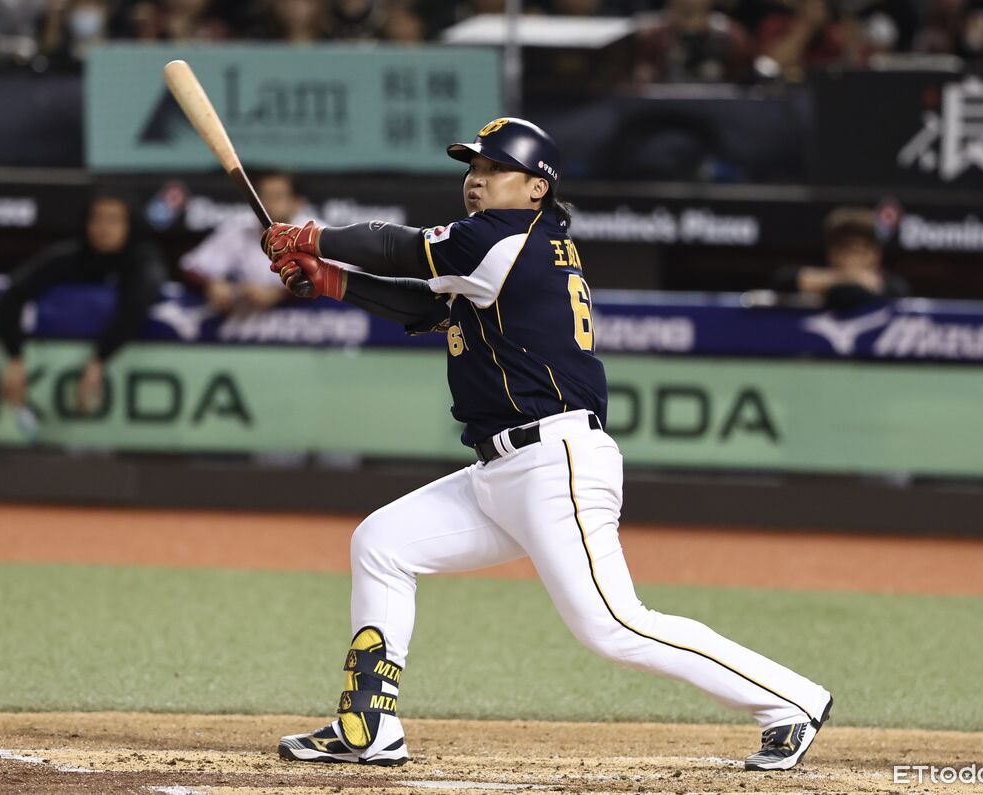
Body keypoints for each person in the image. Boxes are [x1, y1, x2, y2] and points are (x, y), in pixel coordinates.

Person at [260, 118, 833, 771]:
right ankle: (369, 723)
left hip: (554, 461)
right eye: (472, 168)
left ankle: (790, 700)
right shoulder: (507, 248)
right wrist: (331, 280)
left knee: (614, 625)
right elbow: (427, 308)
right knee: (382, 543)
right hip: (502, 471)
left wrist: (311, 236)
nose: (476, 180)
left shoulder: (504, 237)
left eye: (494, 169)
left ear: (537, 187)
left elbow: (400, 247)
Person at [0, 192, 165, 415]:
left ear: (129, 225)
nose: (104, 228)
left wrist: (99, 361)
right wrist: (14, 357)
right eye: (97, 219)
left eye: (113, 220)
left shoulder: (144, 262)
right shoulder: (67, 258)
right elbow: (11, 295)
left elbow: (136, 306)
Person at [179, 172, 303, 317]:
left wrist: (280, 294)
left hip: (307, 318)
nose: (266, 204)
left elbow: (325, 278)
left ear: (296, 203)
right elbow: (191, 266)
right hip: (249, 320)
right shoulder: (239, 231)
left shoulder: (315, 233)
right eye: (261, 197)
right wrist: (211, 285)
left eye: (276, 197)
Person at [772, 206, 908, 311]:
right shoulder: (819, 279)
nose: (852, 258)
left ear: (876, 255)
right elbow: (784, 279)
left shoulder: (890, 285)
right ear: (831, 253)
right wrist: (848, 277)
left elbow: (897, 290)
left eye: (860, 251)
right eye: (845, 249)